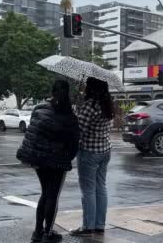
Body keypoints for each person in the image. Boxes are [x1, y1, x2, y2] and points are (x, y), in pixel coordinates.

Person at [16, 80, 80, 243]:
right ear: (67, 93)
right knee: (52, 195)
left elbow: (33, 133)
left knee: (45, 193)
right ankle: (48, 233)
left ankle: (38, 232)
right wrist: (68, 157)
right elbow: (74, 143)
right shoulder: (69, 115)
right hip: (57, 161)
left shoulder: (39, 108)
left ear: (52, 92)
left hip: (38, 159)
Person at [71, 77, 114, 237]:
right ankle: (99, 225)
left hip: (89, 151)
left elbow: (78, 129)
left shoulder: (90, 106)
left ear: (92, 88)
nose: (85, 88)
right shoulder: (108, 105)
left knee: (88, 190)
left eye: (87, 86)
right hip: (105, 150)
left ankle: (88, 227)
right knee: (101, 188)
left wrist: (76, 112)